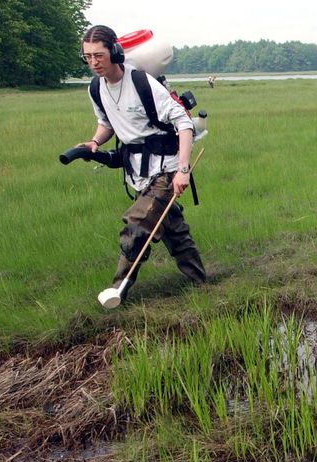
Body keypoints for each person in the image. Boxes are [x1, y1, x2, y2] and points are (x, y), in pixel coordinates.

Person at [77, 25, 205, 303]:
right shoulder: (96, 87)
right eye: (87, 57)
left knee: (136, 226)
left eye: (99, 55)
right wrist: (95, 142)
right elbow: (106, 122)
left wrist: (183, 170)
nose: (94, 62)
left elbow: (183, 122)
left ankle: (117, 293)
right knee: (174, 231)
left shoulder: (142, 83)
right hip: (137, 172)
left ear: (115, 51)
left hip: (166, 168)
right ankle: (201, 283)